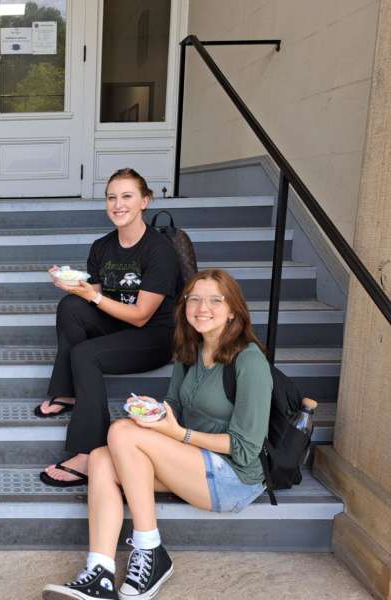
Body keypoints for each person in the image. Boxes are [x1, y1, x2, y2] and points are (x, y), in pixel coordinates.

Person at [42, 269, 272, 600]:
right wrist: (155, 412)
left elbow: (246, 448)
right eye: (194, 299)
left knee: (121, 432)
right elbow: (174, 405)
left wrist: (178, 433)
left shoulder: (250, 361)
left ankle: (150, 549)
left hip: (234, 477)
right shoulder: (190, 350)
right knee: (101, 458)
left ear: (233, 310)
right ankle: (100, 573)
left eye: (214, 301)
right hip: (193, 463)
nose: (202, 308)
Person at [36, 168, 179, 487]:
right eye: (111, 197)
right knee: (70, 307)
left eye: (127, 196)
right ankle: (68, 391)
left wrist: (92, 296)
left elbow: (141, 315)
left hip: (153, 337)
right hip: (118, 325)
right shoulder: (101, 246)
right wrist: (75, 287)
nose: (118, 204)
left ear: (145, 201)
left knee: (86, 354)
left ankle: (89, 452)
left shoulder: (159, 250)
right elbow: (95, 301)